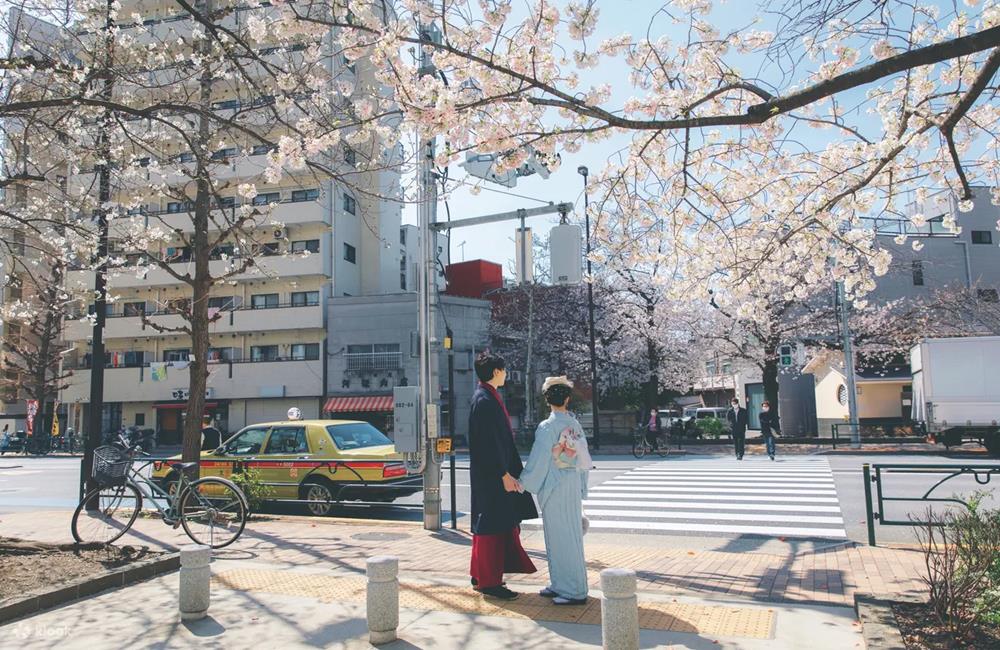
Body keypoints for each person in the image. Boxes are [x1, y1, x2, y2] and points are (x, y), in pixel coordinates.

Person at [468, 352, 538, 600]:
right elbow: (489, 443)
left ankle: (482, 576)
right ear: (497, 372)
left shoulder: (485, 396)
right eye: (505, 370)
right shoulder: (485, 400)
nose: (507, 374)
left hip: (491, 473)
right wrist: (503, 474)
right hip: (493, 475)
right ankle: (489, 582)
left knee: (491, 524)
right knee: (492, 526)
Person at [519, 376, 592, 605]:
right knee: (569, 537)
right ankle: (562, 584)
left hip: (554, 484)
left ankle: (573, 591)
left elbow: (540, 459)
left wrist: (524, 482)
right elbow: (583, 458)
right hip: (570, 481)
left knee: (560, 537)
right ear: (567, 399)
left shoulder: (547, 427)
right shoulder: (574, 425)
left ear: (547, 400)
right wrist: (581, 487)